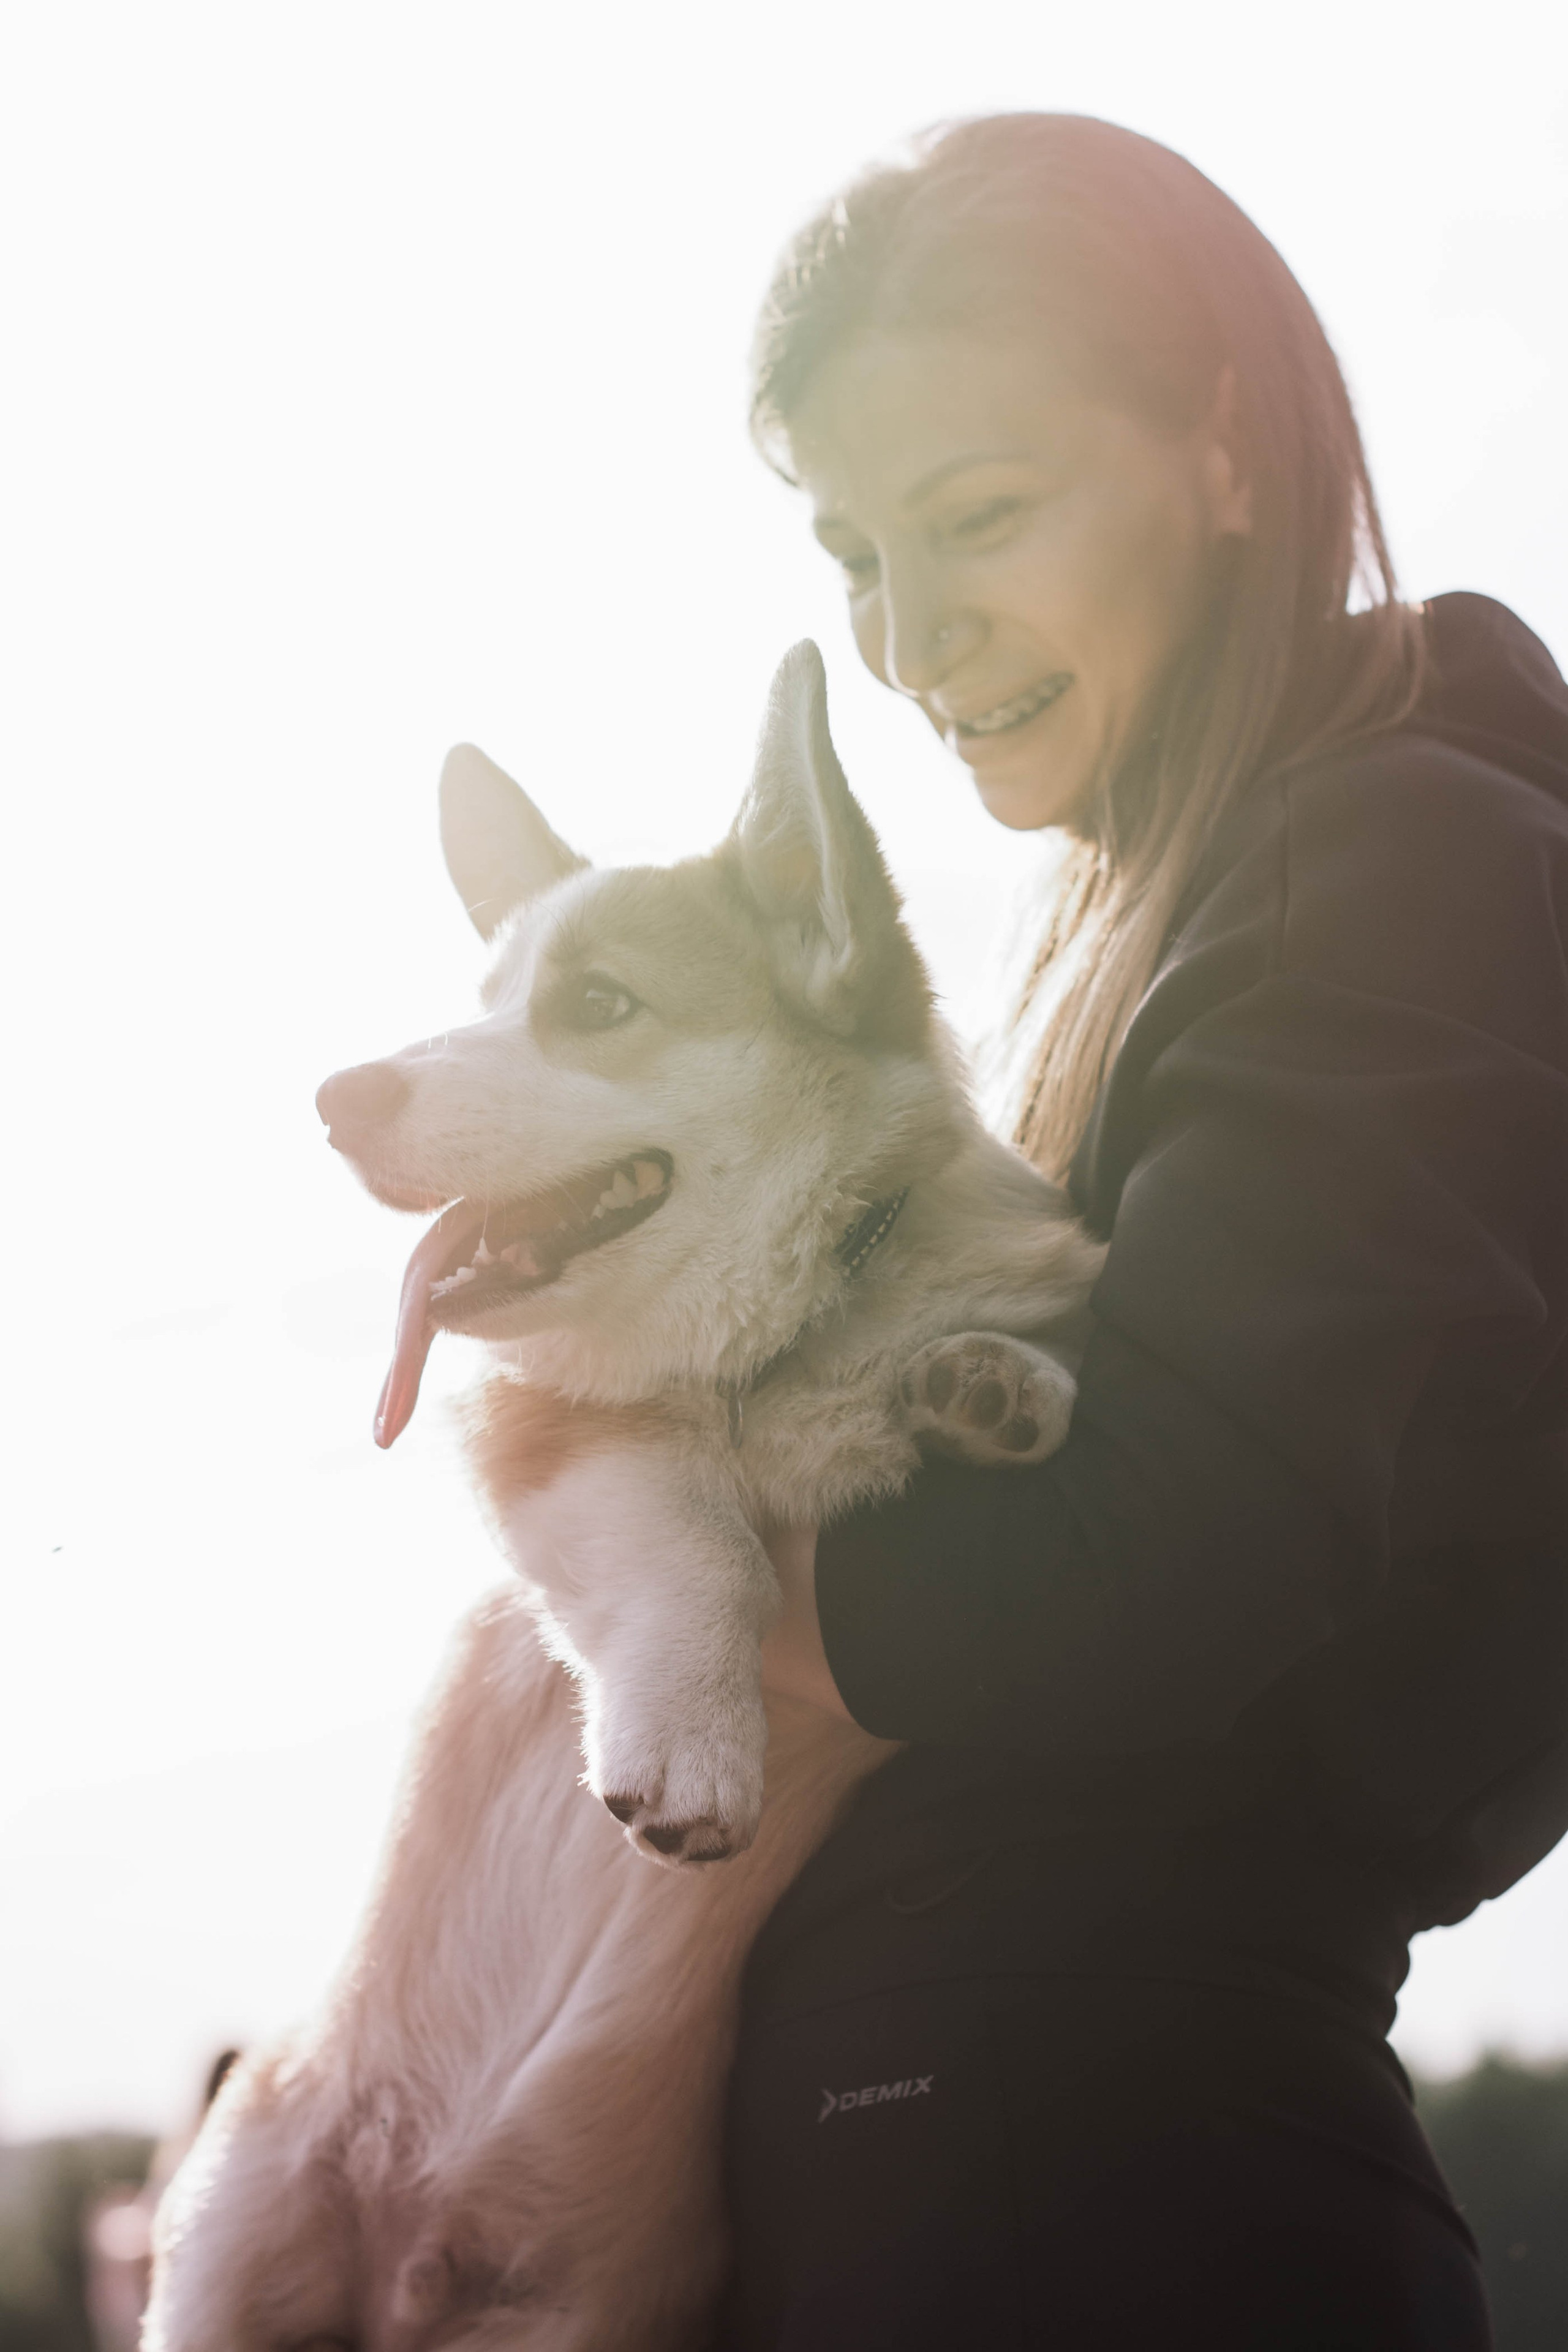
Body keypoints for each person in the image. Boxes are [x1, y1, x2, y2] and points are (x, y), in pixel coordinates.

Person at [721, 113, 1568, 2350]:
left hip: (1111, 2193)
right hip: (1029, 2160)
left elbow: (1161, 1562)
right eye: (855, 556)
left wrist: (704, 1590)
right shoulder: (1203, 899)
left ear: (1225, 449)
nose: (910, 640)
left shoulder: (1388, 861)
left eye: (978, 520)